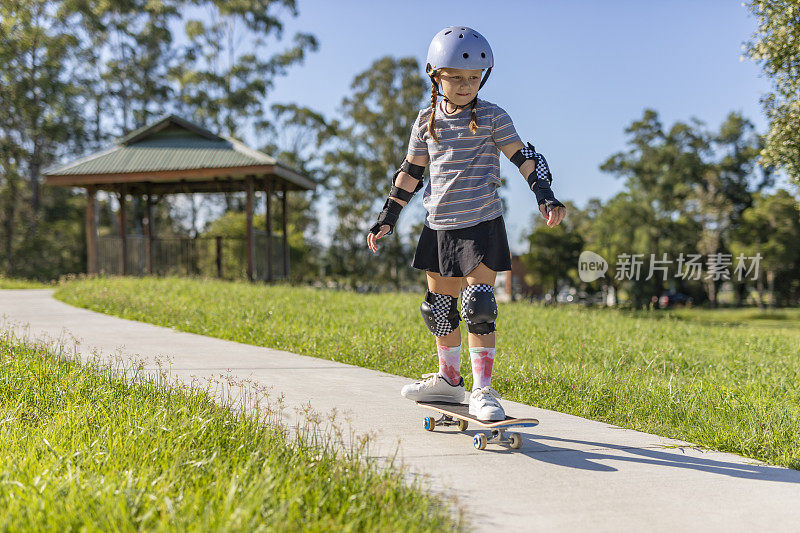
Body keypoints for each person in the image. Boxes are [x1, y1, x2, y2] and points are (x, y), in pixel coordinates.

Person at [366, 25, 566, 421]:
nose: (464, 85)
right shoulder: (426, 121)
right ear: (435, 75)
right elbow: (410, 172)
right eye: (455, 77)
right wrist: (387, 217)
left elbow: (524, 157)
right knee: (439, 309)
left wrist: (544, 193)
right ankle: (449, 380)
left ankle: (483, 390)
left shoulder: (493, 116)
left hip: (481, 223)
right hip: (439, 225)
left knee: (478, 305)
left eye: (473, 78)